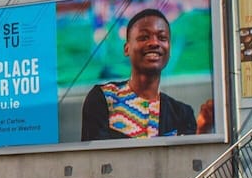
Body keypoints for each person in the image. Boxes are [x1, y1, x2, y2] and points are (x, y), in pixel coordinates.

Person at [80, 8, 201, 141]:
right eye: (144, 37)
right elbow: (94, 159)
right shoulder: (104, 99)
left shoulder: (182, 113)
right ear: (127, 49)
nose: (154, 43)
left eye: (162, 38)